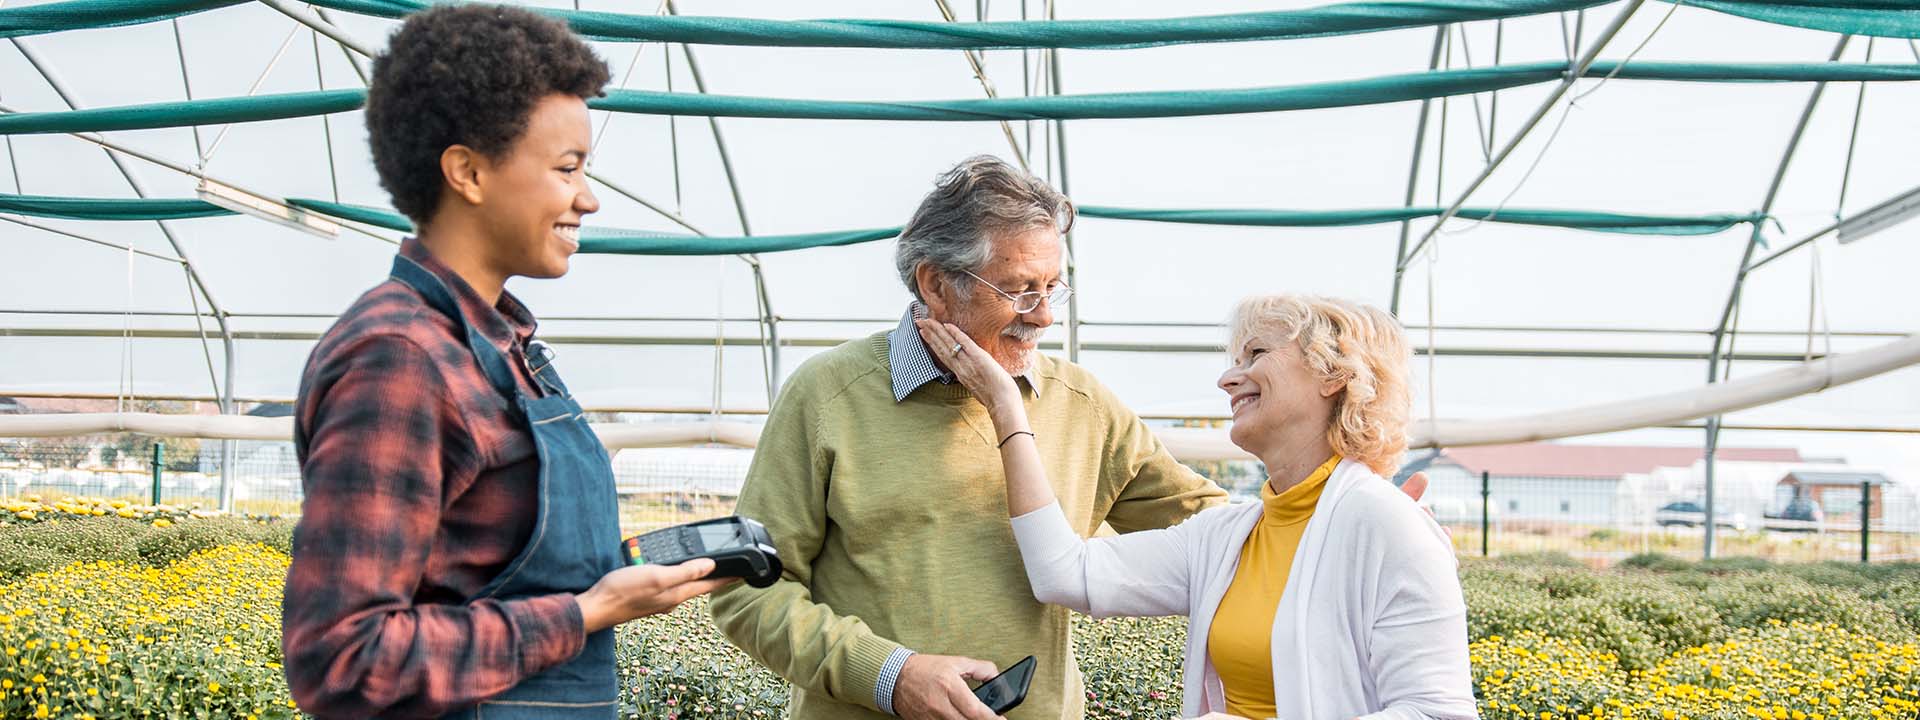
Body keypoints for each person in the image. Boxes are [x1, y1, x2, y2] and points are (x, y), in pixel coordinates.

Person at [707, 156, 1431, 720]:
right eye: (1021, 290)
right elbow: (749, 593)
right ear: (934, 283)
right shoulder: (828, 397)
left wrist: (1360, 518)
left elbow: (1220, 531)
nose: (1044, 316)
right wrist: (890, 675)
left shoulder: (1080, 404)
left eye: (1055, 288)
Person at [281, 7, 728, 718]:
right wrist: (580, 614)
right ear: (469, 172)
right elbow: (340, 657)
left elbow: (485, 570)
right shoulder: (400, 359)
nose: (588, 196)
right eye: (566, 168)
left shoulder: (502, 346)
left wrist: (619, 582)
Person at [917, 294, 1476, 720]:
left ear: (1337, 374)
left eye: (1257, 353)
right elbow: (1063, 571)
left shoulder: (1389, 524)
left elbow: (1438, 713)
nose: (1228, 376)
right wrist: (1007, 410)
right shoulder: (1228, 536)